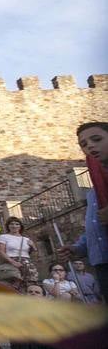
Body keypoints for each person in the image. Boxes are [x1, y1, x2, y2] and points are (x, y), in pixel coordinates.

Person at [60, 121, 108, 293]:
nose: (90, 146)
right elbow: (95, 227)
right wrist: (78, 248)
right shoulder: (94, 192)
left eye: (96, 139)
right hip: (102, 262)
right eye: (84, 144)